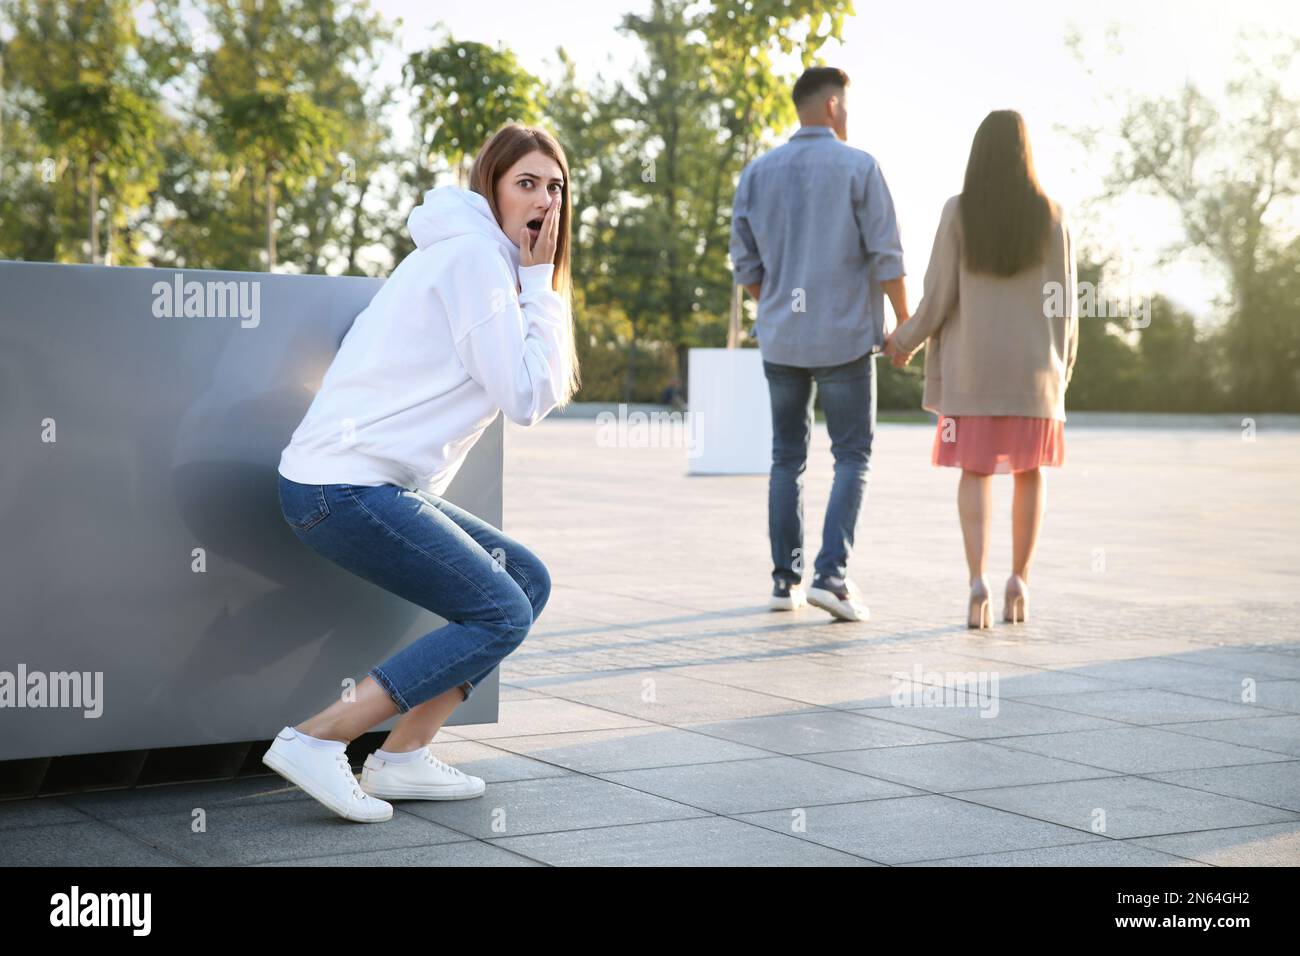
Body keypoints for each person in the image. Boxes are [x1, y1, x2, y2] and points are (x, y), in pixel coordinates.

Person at [264, 123, 580, 822]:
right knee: (500, 609)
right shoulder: (476, 261)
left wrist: (533, 283)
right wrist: (538, 282)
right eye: (526, 183)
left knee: (526, 580)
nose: (544, 200)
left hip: (365, 483)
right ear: (491, 189)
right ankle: (320, 738)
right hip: (341, 487)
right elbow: (528, 396)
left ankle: (403, 758)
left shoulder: (477, 259)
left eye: (555, 186)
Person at [885, 109, 1078, 629]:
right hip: (1035, 374)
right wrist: (1059, 377)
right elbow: (1065, 307)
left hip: (973, 373)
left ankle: (977, 583)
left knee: (974, 472)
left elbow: (939, 295)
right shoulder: (1054, 216)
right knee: (1029, 472)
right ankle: (1020, 580)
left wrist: (901, 341)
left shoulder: (957, 212)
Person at [729, 66, 909, 622]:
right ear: (832, 105)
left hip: (783, 339)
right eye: (847, 105)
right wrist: (904, 324)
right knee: (852, 455)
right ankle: (832, 575)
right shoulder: (860, 167)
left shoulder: (758, 172)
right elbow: (886, 254)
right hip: (847, 339)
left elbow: (745, 262)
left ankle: (787, 582)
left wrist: (777, 305)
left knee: (787, 459)